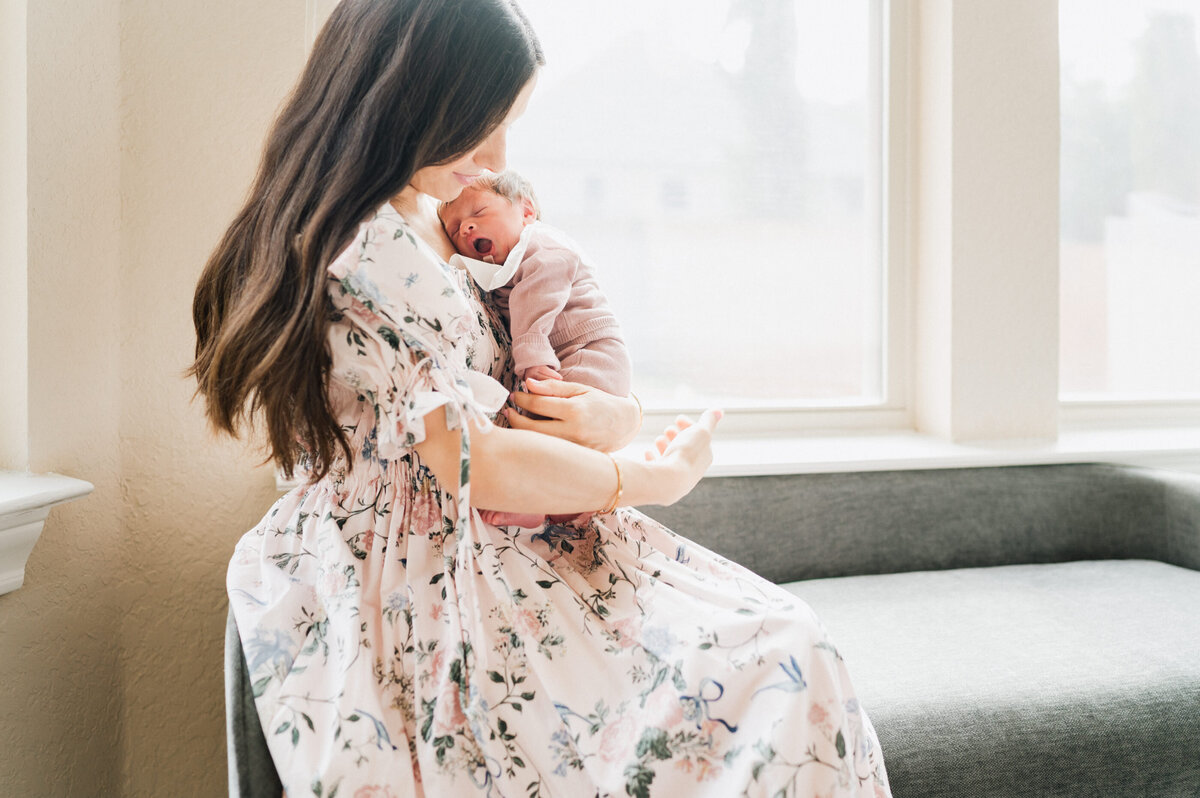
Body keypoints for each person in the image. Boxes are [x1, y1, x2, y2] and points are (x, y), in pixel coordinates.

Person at [191, 0, 892, 795]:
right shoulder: (367, 256)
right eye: (476, 126)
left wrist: (611, 417)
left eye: (505, 126)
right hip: (430, 555)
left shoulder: (434, 217)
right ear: (404, 103)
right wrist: (647, 479)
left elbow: (535, 357)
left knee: (785, 645)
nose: (493, 157)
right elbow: (470, 461)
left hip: (510, 523)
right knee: (774, 662)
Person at [440, 170, 632, 529]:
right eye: (455, 229)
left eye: (479, 213)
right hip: (567, 352)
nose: (466, 227)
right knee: (553, 440)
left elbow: (535, 303)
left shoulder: (542, 245)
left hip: (590, 351)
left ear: (526, 211)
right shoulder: (496, 268)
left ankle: (541, 502)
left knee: (553, 432)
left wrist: (532, 361)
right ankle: (559, 509)